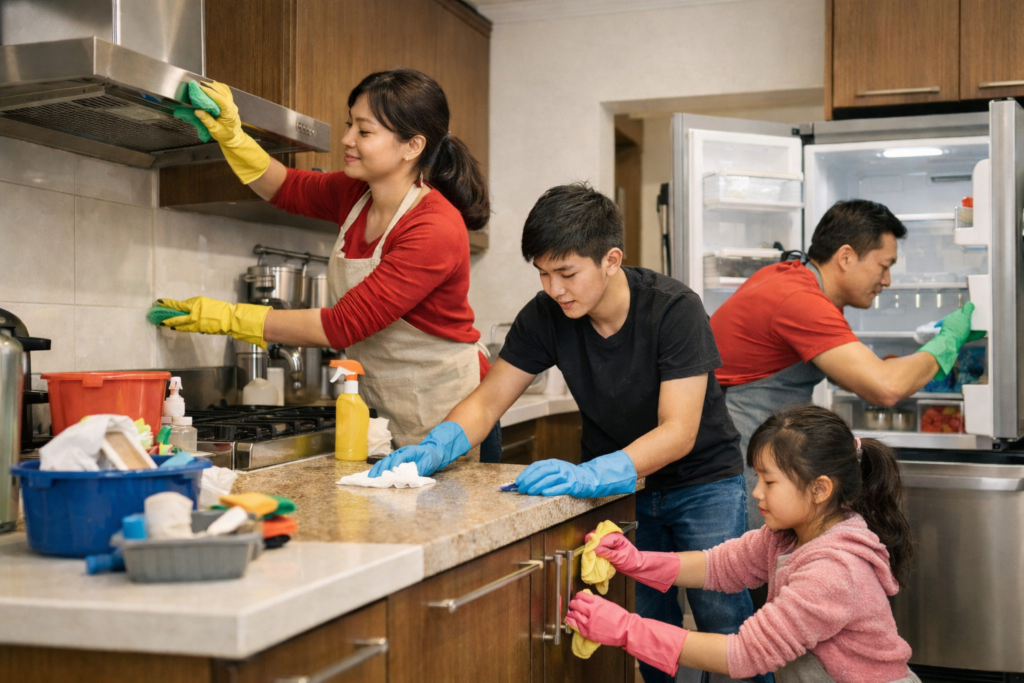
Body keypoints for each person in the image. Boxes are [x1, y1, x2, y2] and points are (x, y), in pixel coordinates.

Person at [370, 182, 765, 683]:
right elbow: (490, 400)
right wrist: (433, 447)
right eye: (543, 274)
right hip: (624, 494)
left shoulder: (673, 310)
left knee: (724, 621)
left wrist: (593, 474)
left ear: (611, 260)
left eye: (567, 273)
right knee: (643, 629)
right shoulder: (546, 317)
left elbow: (679, 431)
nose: (555, 289)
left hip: (702, 485)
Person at [153, 69, 502, 455]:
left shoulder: (434, 227)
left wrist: (226, 319)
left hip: (451, 415)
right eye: (349, 124)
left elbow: (342, 325)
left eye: (364, 132)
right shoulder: (355, 193)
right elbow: (285, 187)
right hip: (388, 409)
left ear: (412, 146)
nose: (347, 139)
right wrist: (233, 136)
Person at [565, 405, 920, 683]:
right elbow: (720, 565)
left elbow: (745, 653)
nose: (757, 493)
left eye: (770, 481)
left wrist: (628, 630)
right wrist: (638, 562)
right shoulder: (788, 536)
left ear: (820, 489)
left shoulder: (833, 571)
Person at [710, 199, 980, 529]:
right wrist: (947, 342)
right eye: (884, 265)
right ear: (847, 256)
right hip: (738, 465)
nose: (888, 280)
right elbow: (885, 387)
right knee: (742, 572)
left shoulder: (791, 279)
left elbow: (857, 372)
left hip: (754, 456)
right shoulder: (799, 298)